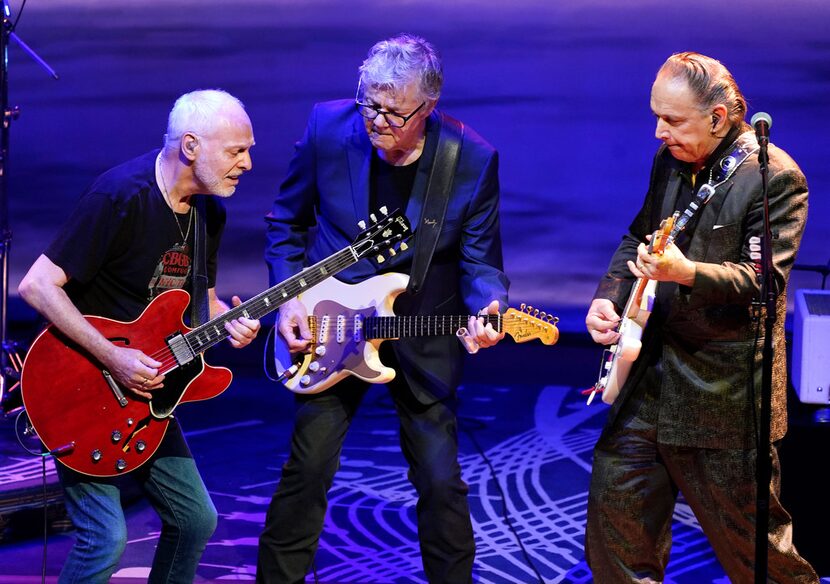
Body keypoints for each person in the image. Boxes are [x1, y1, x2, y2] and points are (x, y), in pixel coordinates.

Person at [257, 34, 509, 583]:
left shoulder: (470, 158)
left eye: (393, 112)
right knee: (309, 468)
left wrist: (489, 308)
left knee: (440, 481)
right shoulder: (328, 127)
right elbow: (286, 223)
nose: (376, 120)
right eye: (369, 103)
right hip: (329, 326)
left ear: (428, 107)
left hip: (422, 331)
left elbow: (481, 261)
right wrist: (288, 298)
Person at [584, 52, 818, 582]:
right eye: (656, 116)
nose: (658, 131)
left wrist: (686, 272)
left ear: (718, 117)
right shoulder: (671, 158)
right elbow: (639, 234)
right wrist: (612, 296)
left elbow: (763, 282)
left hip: (724, 397)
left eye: (672, 120)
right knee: (615, 527)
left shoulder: (773, 178)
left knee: (756, 556)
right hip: (651, 381)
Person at [18, 89, 261, 583]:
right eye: (237, 150)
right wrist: (113, 358)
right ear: (191, 146)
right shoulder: (119, 196)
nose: (249, 163)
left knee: (195, 521)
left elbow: (200, 302)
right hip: (80, 389)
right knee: (105, 539)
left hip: (147, 391)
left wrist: (229, 318)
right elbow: (36, 286)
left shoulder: (208, 212)